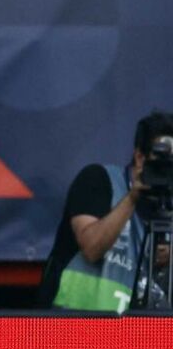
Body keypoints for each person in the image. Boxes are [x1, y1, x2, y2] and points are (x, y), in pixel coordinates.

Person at [39, 111, 173, 311]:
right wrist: (132, 197)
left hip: (129, 335)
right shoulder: (99, 180)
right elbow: (91, 247)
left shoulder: (167, 207)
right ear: (139, 157)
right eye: (160, 160)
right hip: (68, 329)